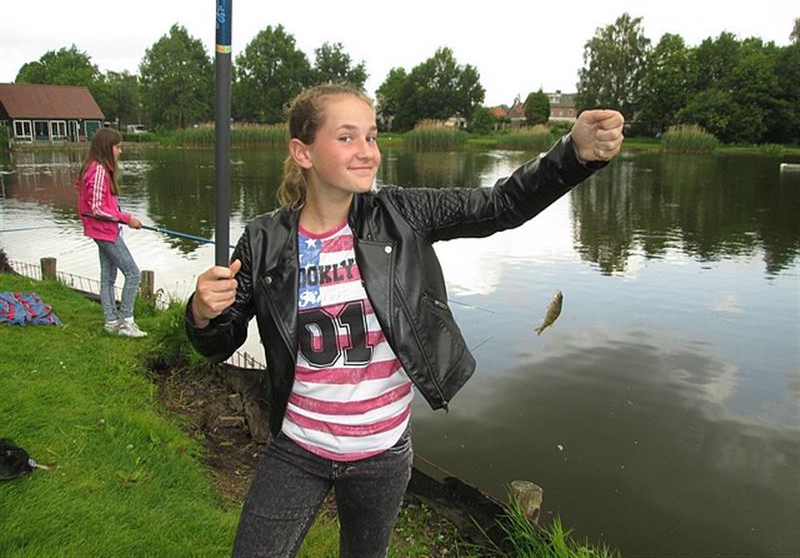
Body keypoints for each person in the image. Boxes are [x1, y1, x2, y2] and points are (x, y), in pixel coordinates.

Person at [186, 84, 624, 557]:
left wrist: (572, 154)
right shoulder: (262, 240)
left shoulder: (401, 214)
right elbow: (219, 342)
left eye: (371, 137)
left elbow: (501, 205)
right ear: (303, 152)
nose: (367, 152)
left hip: (383, 452)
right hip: (297, 446)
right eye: (347, 138)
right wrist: (202, 313)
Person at [77, 128, 147, 338]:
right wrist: (126, 218)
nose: (120, 151)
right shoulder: (99, 170)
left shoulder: (95, 167)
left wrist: (121, 217)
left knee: (108, 277)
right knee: (133, 274)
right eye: (118, 147)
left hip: (103, 231)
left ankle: (110, 321)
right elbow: (97, 208)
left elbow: (100, 204)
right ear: (107, 148)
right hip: (105, 232)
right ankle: (126, 321)